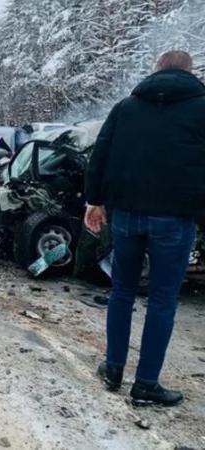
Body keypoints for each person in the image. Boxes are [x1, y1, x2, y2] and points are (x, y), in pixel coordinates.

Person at [86, 50, 205, 407]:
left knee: (122, 291)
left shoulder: (126, 107)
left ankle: (113, 368)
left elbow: (100, 155)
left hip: (127, 215)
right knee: (163, 300)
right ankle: (146, 385)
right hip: (175, 218)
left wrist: (94, 201)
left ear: (156, 70)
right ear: (191, 71)